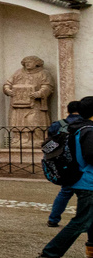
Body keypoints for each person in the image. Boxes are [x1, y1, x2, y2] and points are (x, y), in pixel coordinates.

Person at [41, 97, 93, 258]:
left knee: (90, 219)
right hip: (88, 181)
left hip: (80, 179)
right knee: (81, 222)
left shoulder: (75, 128)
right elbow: (90, 155)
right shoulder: (89, 130)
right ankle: (50, 253)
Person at [46, 98, 90, 229]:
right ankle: (83, 222)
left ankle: (53, 218)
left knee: (65, 192)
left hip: (65, 164)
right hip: (83, 165)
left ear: (68, 110)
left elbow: (49, 142)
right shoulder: (85, 125)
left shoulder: (57, 124)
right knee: (86, 195)